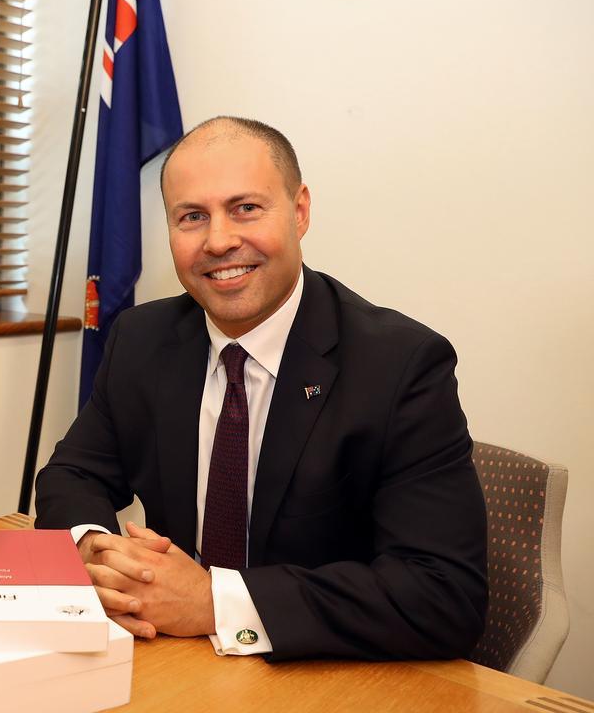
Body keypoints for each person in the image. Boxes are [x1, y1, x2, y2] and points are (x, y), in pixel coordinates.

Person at [35, 116, 487, 661]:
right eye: (191, 217)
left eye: (245, 208)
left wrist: (214, 601)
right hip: (177, 664)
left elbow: (443, 596)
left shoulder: (401, 365)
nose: (219, 241)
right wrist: (95, 552)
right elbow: (73, 473)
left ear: (299, 212)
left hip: (321, 678)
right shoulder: (142, 339)